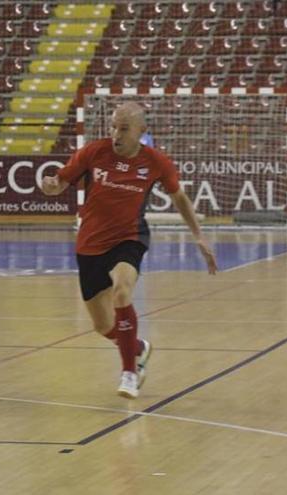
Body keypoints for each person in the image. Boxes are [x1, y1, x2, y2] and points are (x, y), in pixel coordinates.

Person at [40, 102, 218, 399]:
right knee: (102, 325)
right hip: (90, 243)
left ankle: (128, 374)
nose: (116, 134)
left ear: (141, 132)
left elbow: (179, 197)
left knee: (122, 292)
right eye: (113, 127)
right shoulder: (94, 152)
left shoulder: (156, 162)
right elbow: (59, 183)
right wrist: (50, 186)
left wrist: (198, 235)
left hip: (129, 238)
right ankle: (137, 348)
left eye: (124, 129)